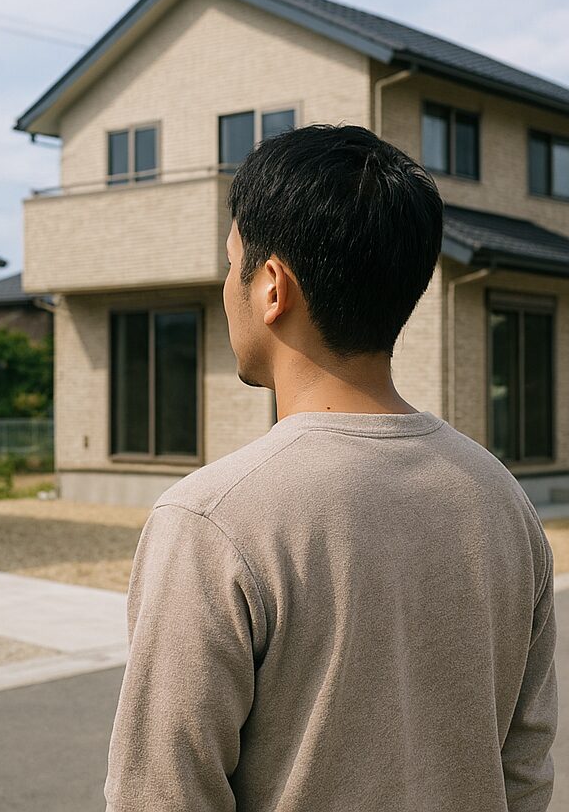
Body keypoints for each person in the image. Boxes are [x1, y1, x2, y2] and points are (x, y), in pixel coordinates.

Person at [104, 124, 557, 811]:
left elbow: (161, 796)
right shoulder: (502, 501)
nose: (228, 285)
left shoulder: (212, 519)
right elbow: (524, 771)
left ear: (272, 288)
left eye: (234, 265)